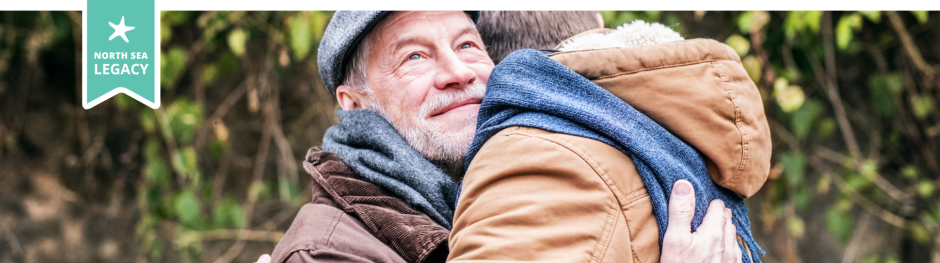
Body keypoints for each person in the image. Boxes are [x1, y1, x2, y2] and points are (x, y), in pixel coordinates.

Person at [266, 11, 750, 263]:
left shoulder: (522, 183)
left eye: (467, 45)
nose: (457, 72)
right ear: (355, 103)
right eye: (414, 56)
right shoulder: (329, 251)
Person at [449, 11, 770, 263]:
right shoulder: (685, 134)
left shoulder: (527, 156)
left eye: (465, 46)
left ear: (489, 59)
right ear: (600, 25)